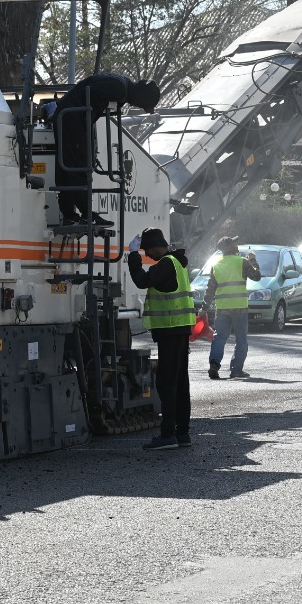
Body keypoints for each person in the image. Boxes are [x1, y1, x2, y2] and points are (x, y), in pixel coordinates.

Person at [52, 73, 161, 225]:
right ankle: (85, 213)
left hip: (71, 118)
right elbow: (89, 93)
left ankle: (70, 213)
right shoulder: (119, 88)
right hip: (73, 120)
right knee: (78, 165)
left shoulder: (121, 84)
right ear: (142, 98)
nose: (148, 111)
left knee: (68, 164)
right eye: (146, 105)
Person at [127, 227, 193, 450]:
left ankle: (168, 435)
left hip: (170, 330)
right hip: (180, 329)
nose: (147, 255)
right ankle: (182, 433)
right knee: (180, 382)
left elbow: (142, 280)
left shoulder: (166, 264)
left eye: (147, 250)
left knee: (167, 383)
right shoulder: (178, 263)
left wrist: (133, 256)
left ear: (157, 247)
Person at [206, 238, 261, 379]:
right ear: (230, 246)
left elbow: (210, 289)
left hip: (222, 309)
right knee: (241, 339)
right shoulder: (242, 262)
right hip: (239, 308)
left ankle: (214, 365)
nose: (237, 245)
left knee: (219, 338)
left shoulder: (216, 264)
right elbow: (256, 276)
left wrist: (204, 308)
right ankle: (236, 370)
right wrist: (253, 260)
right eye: (234, 243)